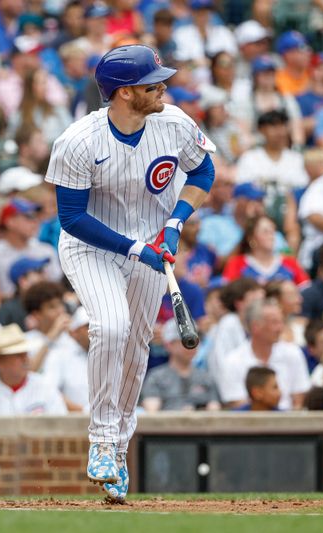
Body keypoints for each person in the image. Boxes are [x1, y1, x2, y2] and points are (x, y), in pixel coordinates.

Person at [45, 44, 216, 503]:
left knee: (138, 342)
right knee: (110, 326)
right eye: (151, 83)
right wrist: (134, 247)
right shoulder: (79, 140)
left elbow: (203, 173)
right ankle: (101, 441)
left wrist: (175, 223)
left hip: (152, 243)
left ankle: (119, 447)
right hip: (91, 246)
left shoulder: (173, 123)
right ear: (122, 94)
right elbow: (72, 218)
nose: (163, 86)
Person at [218, 299, 311, 410]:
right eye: (274, 322)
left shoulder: (293, 353)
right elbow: (238, 405)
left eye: (282, 322)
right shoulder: (233, 361)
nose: (280, 328)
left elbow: (299, 400)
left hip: (290, 422)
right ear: (255, 327)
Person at [0, 198, 61, 298]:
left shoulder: (46, 250)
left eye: (37, 216)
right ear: (10, 221)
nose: (35, 222)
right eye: (29, 217)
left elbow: (57, 286)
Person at [141, 319, 219, 412]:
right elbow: (152, 413)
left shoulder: (206, 378)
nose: (191, 346)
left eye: (195, 340)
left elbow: (214, 412)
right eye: (184, 341)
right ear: (168, 345)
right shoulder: (156, 378)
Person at [222, 215, 309, 286]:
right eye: (265, 232)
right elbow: (229, 294)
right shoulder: (236, 263)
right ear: (251, 238)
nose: (271, 236)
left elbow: (306, 290)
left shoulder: (290, 262)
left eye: (273, 231)